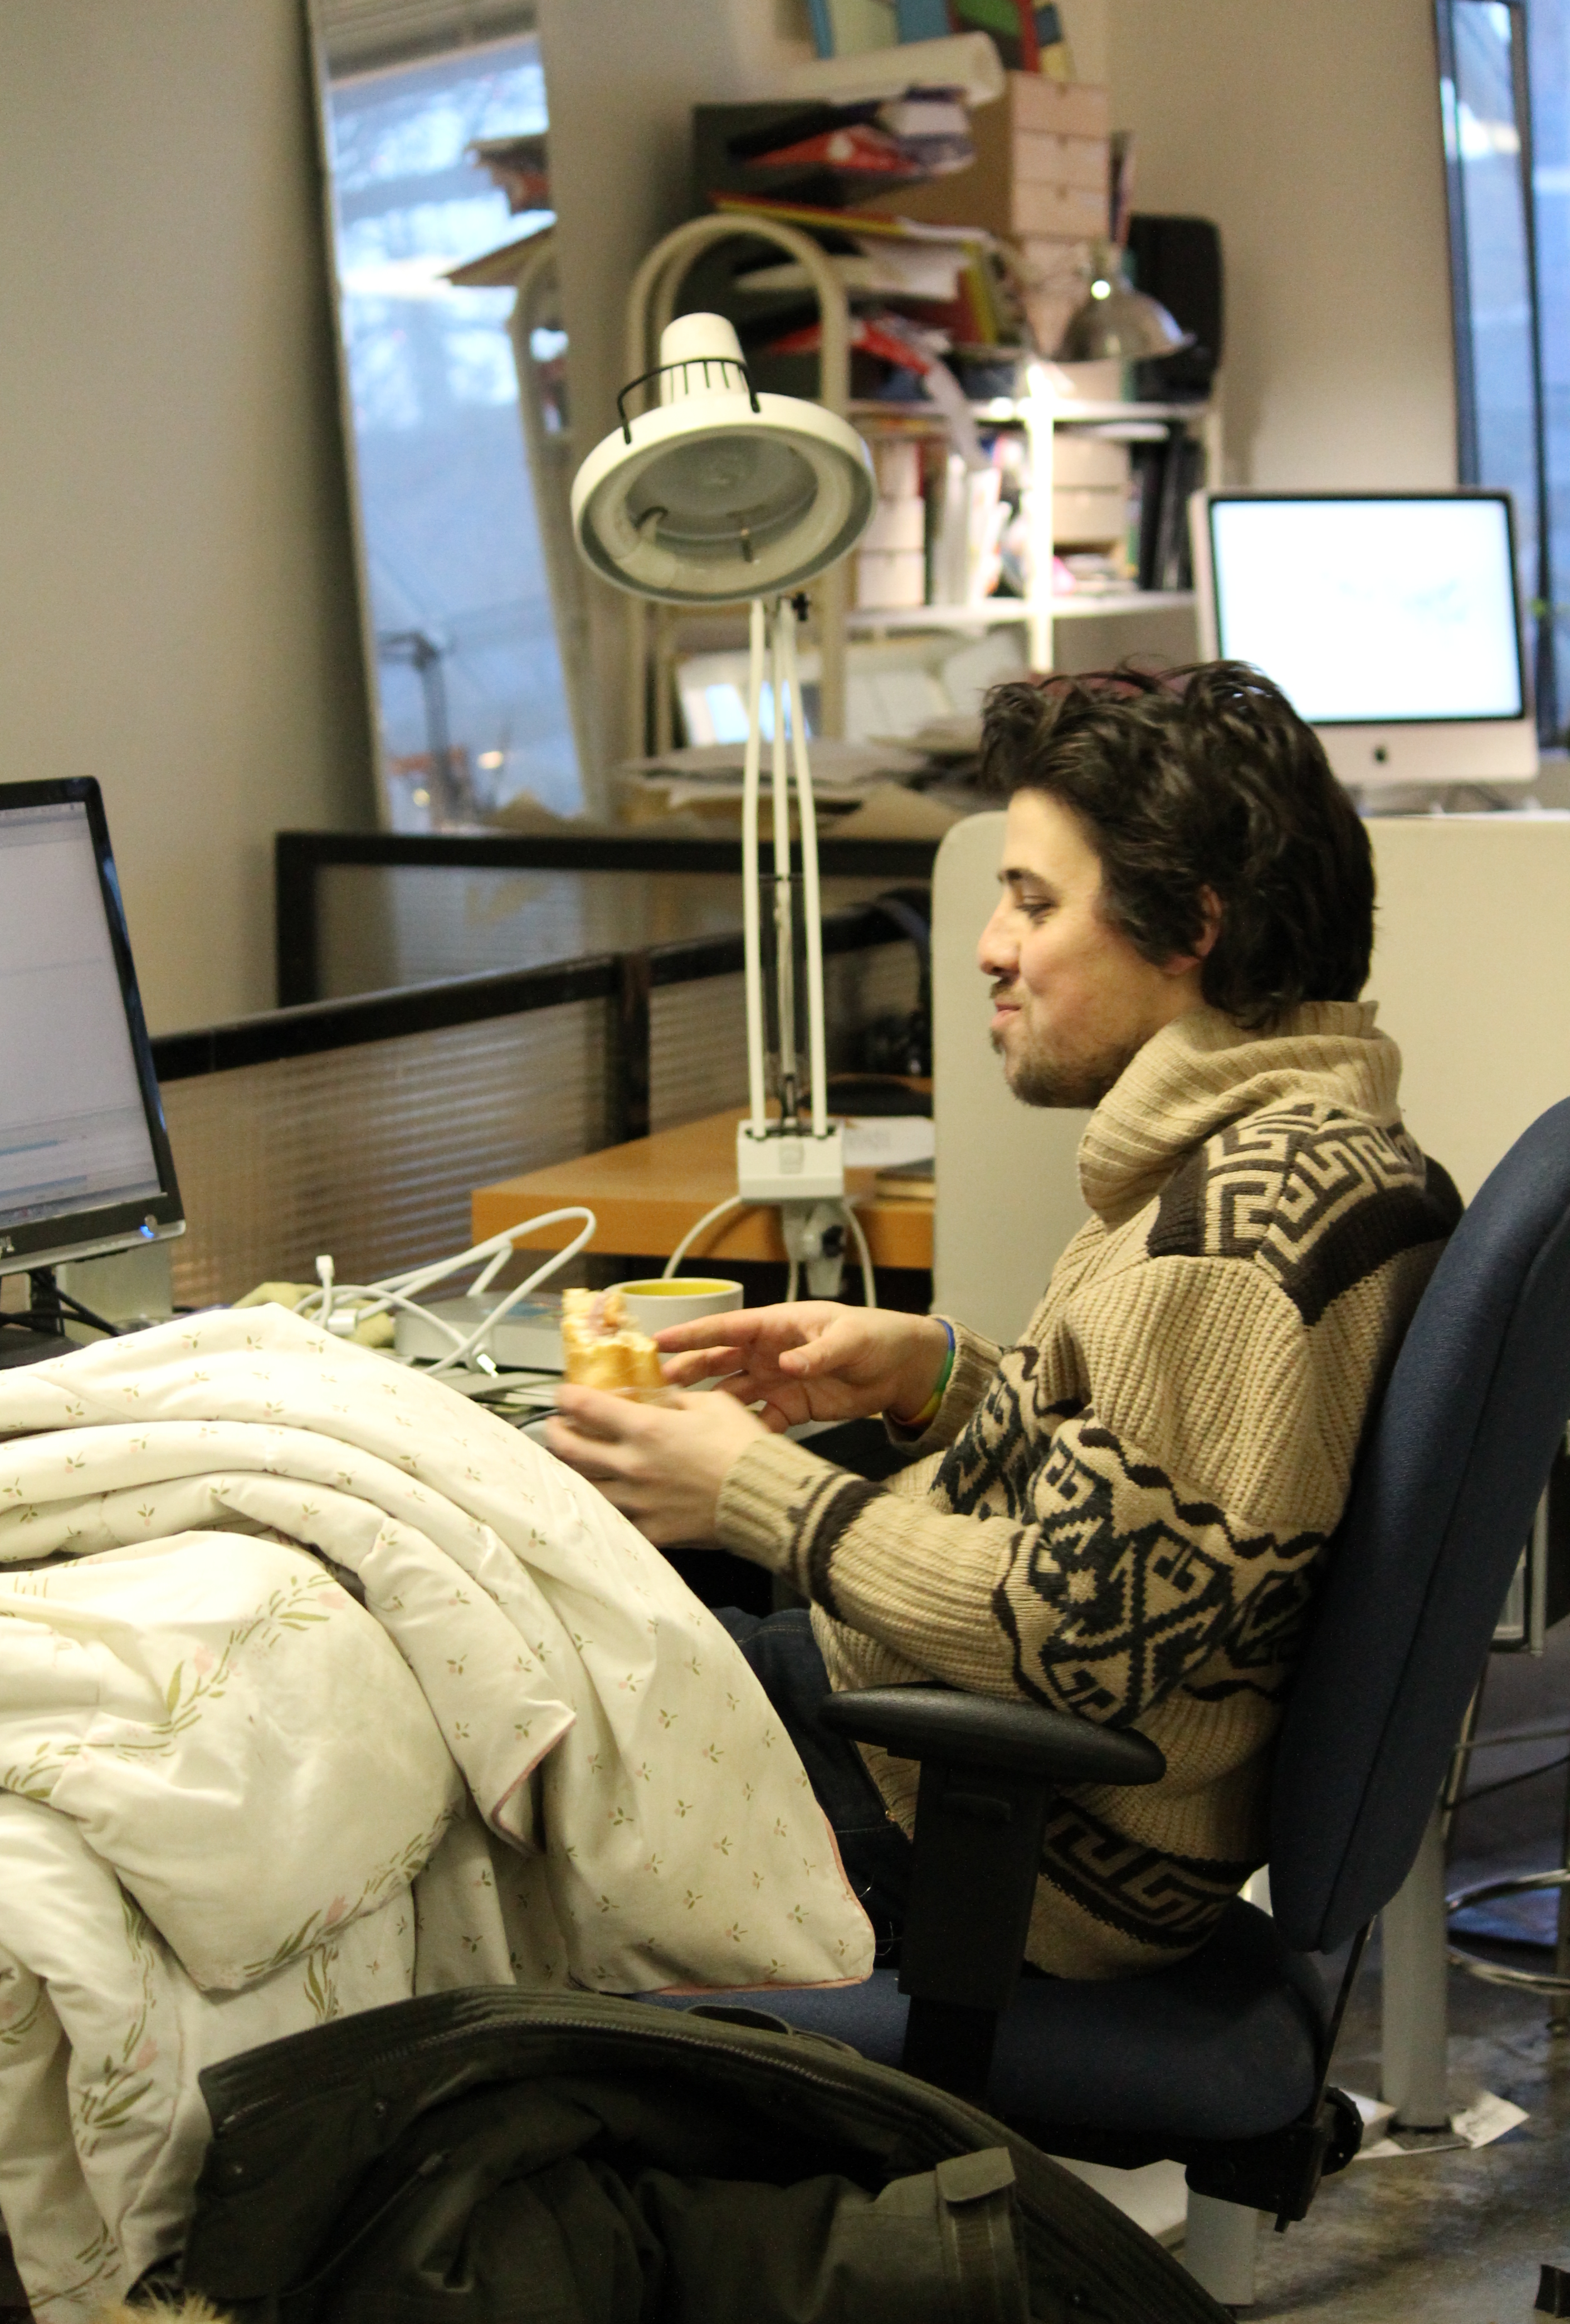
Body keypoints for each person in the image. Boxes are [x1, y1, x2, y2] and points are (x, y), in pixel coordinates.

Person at [548, 664, 1460, 1979]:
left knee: (472, 1707)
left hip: (982, 1842)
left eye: (1033, 903)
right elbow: (1181, 1511)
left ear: (1187, 927)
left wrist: (755, 1492)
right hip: (937, 1748)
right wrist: (937, 1379)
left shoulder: (1226, 1246)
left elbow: (1081, 1636)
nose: (987, 946)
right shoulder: (1308, 1151)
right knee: (514, 1638)